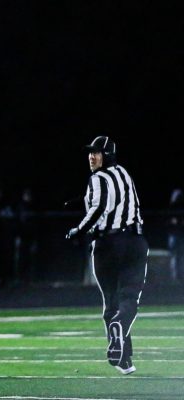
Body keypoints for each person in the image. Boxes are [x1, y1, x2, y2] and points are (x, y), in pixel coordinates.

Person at [66, 136, 148, 375]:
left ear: (108, 155)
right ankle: (124, 356)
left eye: (97, 152)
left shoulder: (98, 178)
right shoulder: (124, 174)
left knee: (111, 302)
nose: (92, 157)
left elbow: (99, 207)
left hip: (108, 245)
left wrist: (78, 231)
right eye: (90, 152)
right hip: (134, 241)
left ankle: (121, 348)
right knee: (129, 298)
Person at [167, 188, 184, 283]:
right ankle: (174, 275)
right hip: (174, 234)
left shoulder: (179, 208)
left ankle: (178, 275)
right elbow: (169, 221)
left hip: (178, 234)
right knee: (174, 255)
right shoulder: (172, 208)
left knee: (179, 255)